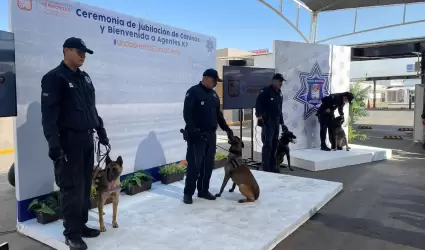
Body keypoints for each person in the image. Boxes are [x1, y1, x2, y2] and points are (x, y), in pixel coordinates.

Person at [41, 37, 109, 250]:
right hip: (68, 141)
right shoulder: (54, 78)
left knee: (84, 186)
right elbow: (49, 116)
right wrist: (53, 144)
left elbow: (92, 108)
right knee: (70, 187)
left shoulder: (85, 78)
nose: (83, 55)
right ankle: (71, 234)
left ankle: (80, 225)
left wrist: (101, 130)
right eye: (78, 51)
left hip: (87, 139)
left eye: (84, 52)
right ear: (66, 50)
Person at [182, 68, 234, 204]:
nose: (216, 83)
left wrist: (227, 129)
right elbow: (187, 114)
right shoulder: (193, 92)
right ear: (206, 79)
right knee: (194, 166)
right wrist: (194, 130)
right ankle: (188, 193)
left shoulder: (214, 95)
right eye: (215, 81)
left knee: (207, 165)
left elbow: (218, 115)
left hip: (211, 136)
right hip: (197, 137)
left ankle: (203, 190)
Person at [255, 73, 288, 173]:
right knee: (268, 144)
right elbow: (258, 104)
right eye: (279, 81)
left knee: (274, 144)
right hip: (267, 122)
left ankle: (273, 166)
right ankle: (266, 166)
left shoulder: (279, 93)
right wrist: (260, 116)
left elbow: (279, 109)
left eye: (282, 81)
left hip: (276, 122)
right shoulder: (265, 91)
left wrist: (282, 123)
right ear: (274, 81)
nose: (281, 83)